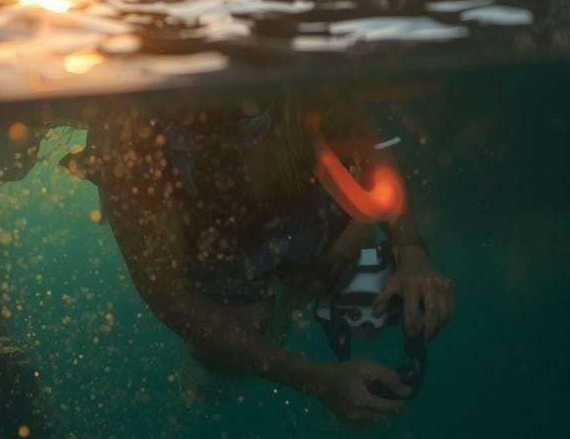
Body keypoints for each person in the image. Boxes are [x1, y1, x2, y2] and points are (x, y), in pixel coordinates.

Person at [70, 88, 454, 428]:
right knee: (224, 361)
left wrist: (411, 252)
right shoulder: (128, 126)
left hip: (292, 209)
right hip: (212, 245)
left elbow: (365, 146)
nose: (250, 107)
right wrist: (314, 379)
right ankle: (225, 357)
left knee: (370, 274)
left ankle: (292, 294)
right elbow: (168, 293)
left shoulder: (292, 74)